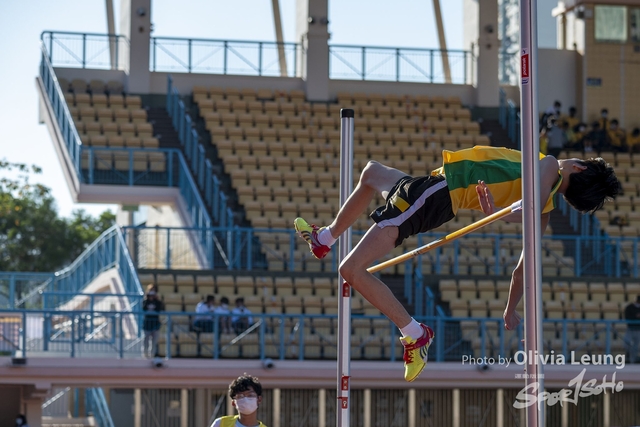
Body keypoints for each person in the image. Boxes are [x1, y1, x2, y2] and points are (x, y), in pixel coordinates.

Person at [294, 145, 620, 382]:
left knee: (350, 270)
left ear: (579, 169)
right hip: (432, 188)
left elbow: (528, 203)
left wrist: (505, 212)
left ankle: (414, 333)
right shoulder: (543, 211)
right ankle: (326, 238)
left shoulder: (549, 166)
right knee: (371, 173)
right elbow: (522, 268)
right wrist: (510, 309)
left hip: (437, 194)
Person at [142, 284, 164, 358]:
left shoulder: (157, 302)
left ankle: (152, 355)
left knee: (154, 342)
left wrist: (157, 299)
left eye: (153, 291)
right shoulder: (145, 301)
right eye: (151, 290)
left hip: (155, 323)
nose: (152, 293)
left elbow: (160, 308)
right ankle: (145, 355)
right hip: (147, 323)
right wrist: (147, 298)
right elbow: (143, 308)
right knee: (146, 340)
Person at [624, 295, 640, 363]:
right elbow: (627, 317)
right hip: (630, 329)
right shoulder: (629, 307)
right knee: (626, 344)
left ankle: (632, 361)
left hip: (638, 330)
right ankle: (628, 355)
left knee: (636, 346)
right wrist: (636, 316)